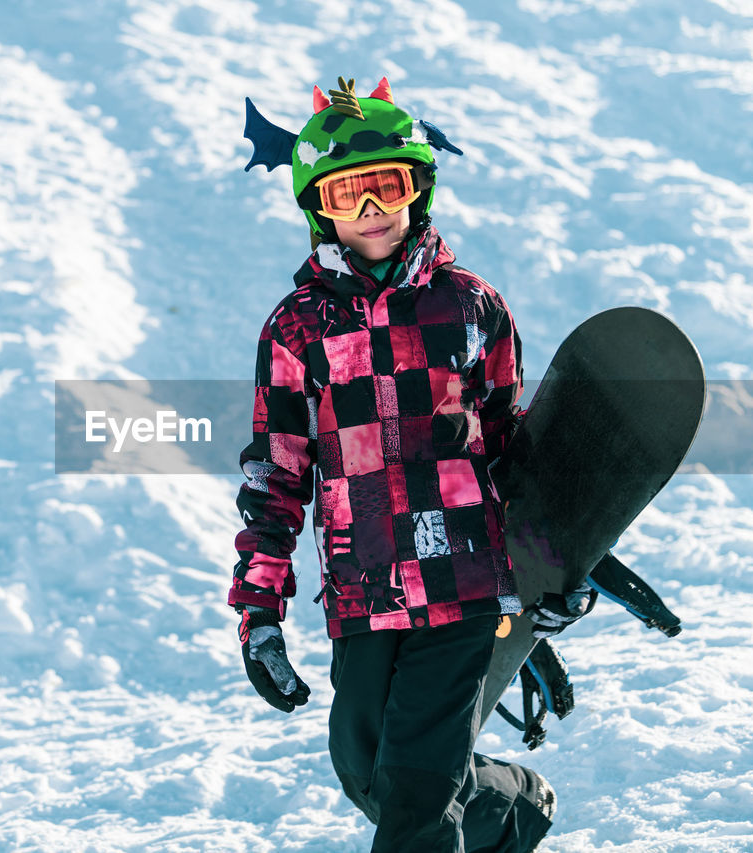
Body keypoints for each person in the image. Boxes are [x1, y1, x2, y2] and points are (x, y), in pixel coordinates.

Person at [228, 77, 590, 852]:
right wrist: (259, 613)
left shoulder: (471, 307)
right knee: (368, 770)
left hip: (466, 579)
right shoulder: (298, 328)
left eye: (386, 187)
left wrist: (550, 572)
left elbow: (510, 450)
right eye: (348, 192)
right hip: (367, 587)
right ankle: (513, 807)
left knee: (417, 796)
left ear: (418, 187)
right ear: (317, 204)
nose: (370, 210)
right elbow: (277, 474)